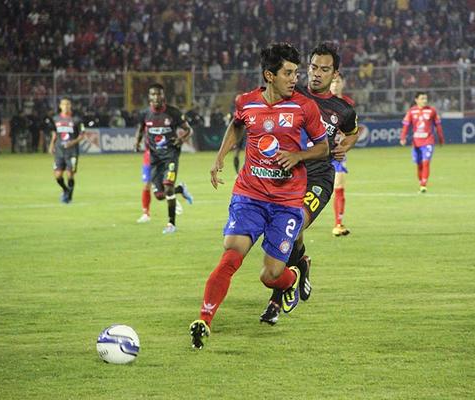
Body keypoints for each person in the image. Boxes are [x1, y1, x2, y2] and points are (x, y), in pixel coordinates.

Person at [189, 42, 329, 349]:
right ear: (270, 75)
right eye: (288, 73)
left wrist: (298, 155)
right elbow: (236, 126)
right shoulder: (247, 102)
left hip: (287, 201)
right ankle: (204, 319)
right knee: (231, 254)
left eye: (296, 72)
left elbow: (323, 147)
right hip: (250, 194)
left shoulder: (304, 107)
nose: (295, 79)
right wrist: (219, 158)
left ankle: (291, 278)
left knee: (270, 276)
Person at [259, 42, 359, 326]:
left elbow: (353, 132)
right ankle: (301, 263)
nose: (316, 73)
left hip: (318, 179)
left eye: (324, 69)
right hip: (287, 176)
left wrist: (345, 146)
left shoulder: (342, 109)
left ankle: (275, 302)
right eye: (313, 67)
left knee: (288, 230)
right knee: (290, 233)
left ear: (335, 74)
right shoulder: (292, 92)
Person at [134, 83, 193, 233]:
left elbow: (188, 130)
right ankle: (181, 189)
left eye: (158, 94)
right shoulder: (145, 114)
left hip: (170, 155)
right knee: (159, 195)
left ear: (163, 95)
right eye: (153, 94)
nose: (156, 97)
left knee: (167, 187)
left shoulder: (173, 112)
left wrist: (181, 140)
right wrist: (137, 142)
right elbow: (141, 129)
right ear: (149, 97)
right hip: (154, 158)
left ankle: (171, 224)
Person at [399, 92, 445, 193]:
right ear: (416, 100)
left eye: (426, 98)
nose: (425, 100)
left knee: (426, 162)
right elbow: (406, 126)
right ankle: (421, 182)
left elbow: (438, 125)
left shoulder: (432, 111)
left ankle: (423, 185)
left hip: (428, 141)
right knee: (419, 164)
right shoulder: (411, 111)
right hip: (416, 142)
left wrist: (441, 138)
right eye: (422, 98)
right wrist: (403, 137)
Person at [329, 72, 355, 237]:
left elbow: (352, 128)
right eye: (333, 81)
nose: (335, 84)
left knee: (339, 186)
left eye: (338, 81)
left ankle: (338, 224)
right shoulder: (320, 102)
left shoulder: (348, 103)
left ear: (342, 83)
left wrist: (344, 142)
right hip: (320, 151)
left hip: (338, 152)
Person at [49, 98, 86, 203]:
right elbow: (54, 133)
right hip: (59, 151)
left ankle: (69, 197)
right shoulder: (56, 119)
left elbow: (82, 135)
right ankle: (65, 190)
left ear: (70, 106)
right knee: (58, 175)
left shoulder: (76, 119)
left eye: (68, 104)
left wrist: (72, 142)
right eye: (64, 104)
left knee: (70, 175)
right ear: (60, 106)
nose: (66, 106)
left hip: (72, 151)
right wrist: (51, 144)